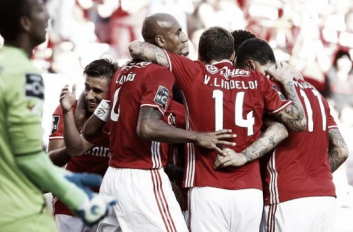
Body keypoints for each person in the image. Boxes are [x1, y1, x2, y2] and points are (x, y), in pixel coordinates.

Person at [128, 26, 306, 232]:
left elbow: (137, 48)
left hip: (207, 187)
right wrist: (287, 83)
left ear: (201, 56)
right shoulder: (257, 80)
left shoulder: (194, 71)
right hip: (250, 191)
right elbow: (297, 122)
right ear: (232, 55)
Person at [83, 13, 236, 232]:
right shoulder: (159, 73)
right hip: (143, 175)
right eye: (177, 32)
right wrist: (198, 136)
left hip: (112, 177)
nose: (184, 38)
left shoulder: (122, 72)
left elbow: (90, 129)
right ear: (161, 42)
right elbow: (147, 127)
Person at [0, 0, 115, 231]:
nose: (49, 16)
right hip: (19, 213)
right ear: (25, 23)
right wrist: (78, 197)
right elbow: (30, 157)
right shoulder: (25, 75)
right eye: (40, 10)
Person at [215, 37, 349, 232]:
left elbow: (280, 130)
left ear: (250, 66)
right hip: (325, 199)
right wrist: (314, 178)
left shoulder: (267, 90)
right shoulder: (316, 94)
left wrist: (242, 156)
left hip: (287, 197)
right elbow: (342, 150)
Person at [48, 58, 119, 232]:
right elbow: (51, 159)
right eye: (87, 87)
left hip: (108, 204)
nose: (89, 96)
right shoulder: (68, 110)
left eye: (97, 91)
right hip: (71, 206)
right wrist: (77, 137)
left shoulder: (118, 115)